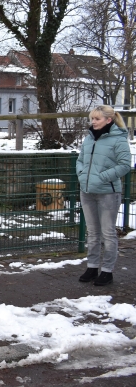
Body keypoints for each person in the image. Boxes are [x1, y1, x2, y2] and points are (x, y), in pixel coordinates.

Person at [76, 105, 131, 286]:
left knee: (108, 233)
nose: (93, 122)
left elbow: (124, 165)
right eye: (92, 118)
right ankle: (92, 267)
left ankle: (107, 271)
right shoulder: (89, 139)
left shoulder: (119, 140)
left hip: (108, 193)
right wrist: (82, 175)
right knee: (92, 233)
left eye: (97, 119)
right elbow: (81, 160)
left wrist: (101, 178)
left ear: (109, 120)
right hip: (87, 192)